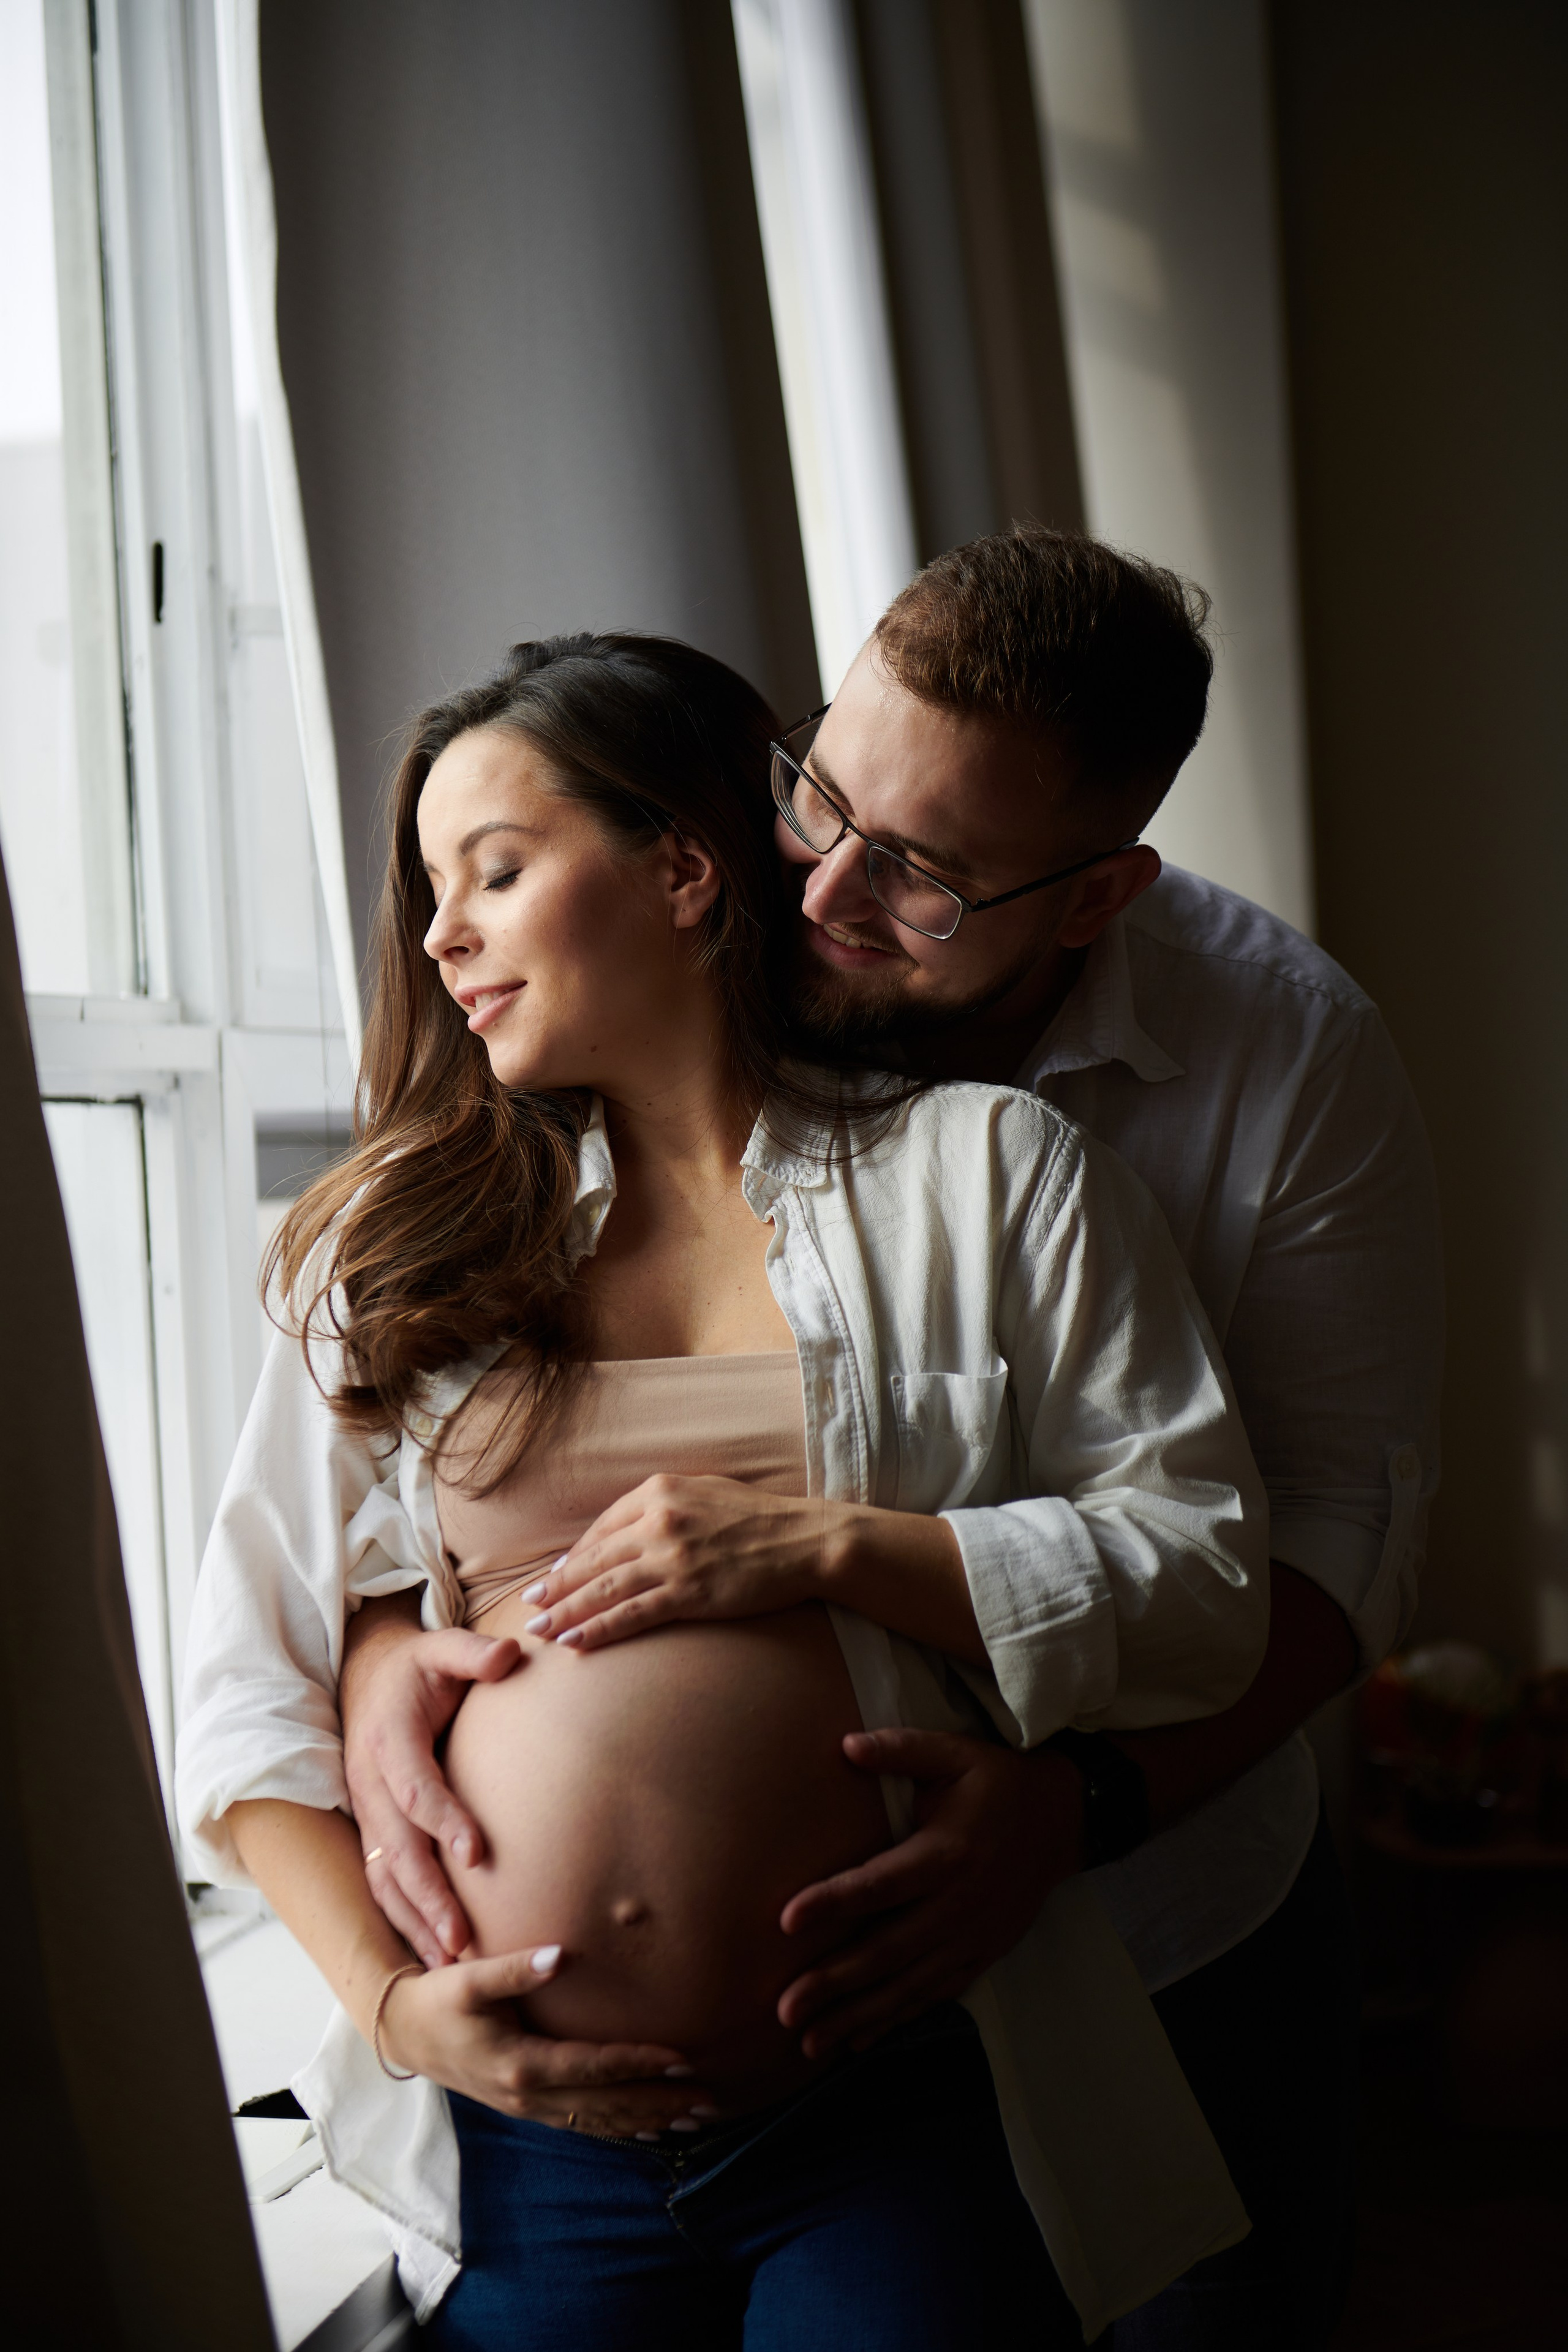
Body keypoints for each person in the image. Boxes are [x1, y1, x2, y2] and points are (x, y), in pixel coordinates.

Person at [344, 533, 1444, 2348]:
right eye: (819, 795)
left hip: (1140, 1910)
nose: (826, 890)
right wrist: (392, 1647)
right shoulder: (507, 1166)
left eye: (923, 876)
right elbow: (340, 1542)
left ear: (1092, 900)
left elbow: (1324, 1537)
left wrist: (1071, 1811)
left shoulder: (1268, 1061)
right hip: (566, 2129)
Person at [176, 630, 1270, 2347]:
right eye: (430, 891)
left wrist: (828, 1545)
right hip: (524, 2129)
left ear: (685, 870)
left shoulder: (989, 1181)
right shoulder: (389, 1249)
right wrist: (393, 2014)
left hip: (890, 2101)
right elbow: (243, 1694)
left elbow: (1204, 1581)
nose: (443, 932)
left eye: (500, 871)